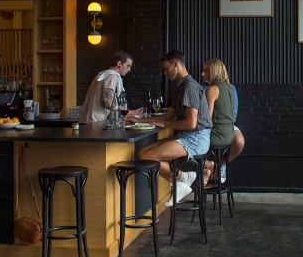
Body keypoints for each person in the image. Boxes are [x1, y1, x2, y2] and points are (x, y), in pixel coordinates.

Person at [133, 50, 212, 205]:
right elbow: (167, 116)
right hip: (188, 136)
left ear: (176, 64)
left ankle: (179, 180)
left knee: (147, 156)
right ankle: (183, 178)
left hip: (197, 138)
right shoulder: (182, 86)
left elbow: (191, 123)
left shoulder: (190, 87)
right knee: (142, 153)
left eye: (166, 67)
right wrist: (139, 120)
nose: (164, 72)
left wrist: (166, 124)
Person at [199, 59, 236, 185]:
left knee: (184, 147)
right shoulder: (228, 88)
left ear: (213, 72)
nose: (202, 74)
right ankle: (208, 171)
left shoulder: (212, 89)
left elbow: (206, 120)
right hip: (229, 136)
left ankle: (209, 166)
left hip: (217, 137)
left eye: (206, 71)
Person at [78, 51, 133, 124]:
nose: (129, 70)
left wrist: (130, 112)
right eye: (128, 66)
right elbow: (107, 102)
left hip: (87, 121)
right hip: (95, 123)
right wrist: (124, 112)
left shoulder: (103, 74)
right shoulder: (112, 76)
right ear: (119, 63)